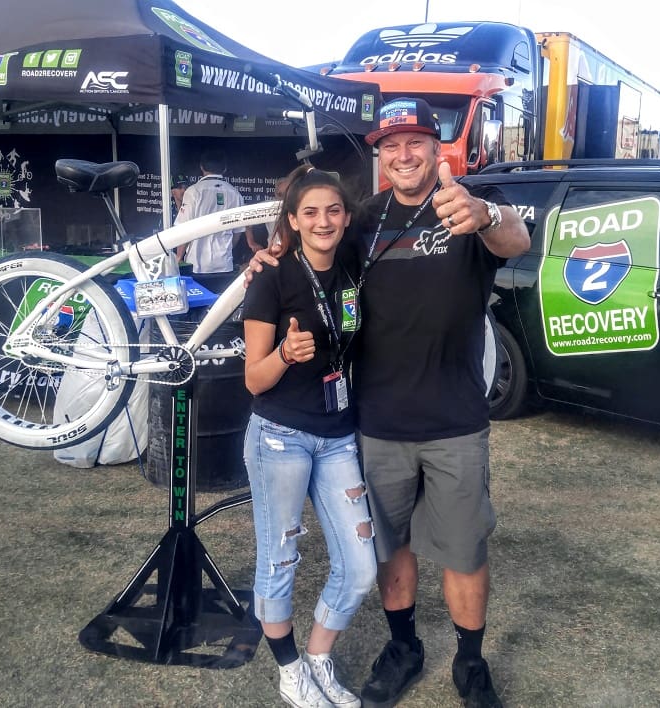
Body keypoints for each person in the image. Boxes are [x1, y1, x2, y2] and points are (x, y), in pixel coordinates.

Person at [250, 98, 530, 707]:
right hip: (375, 423)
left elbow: (517, 240)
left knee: (462, 550)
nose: (403, 155)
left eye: (415, 142)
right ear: (380, 157)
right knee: (389, 549)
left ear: (437, 148)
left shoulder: (464, 208)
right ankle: (404, 646)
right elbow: (313, 252)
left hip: (455, 421)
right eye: (390, 145)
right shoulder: (364, 221)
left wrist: (485, 215)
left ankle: (470, 661)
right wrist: (268, 258)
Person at [242, 165, 374, 708]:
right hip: (280, 437)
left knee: (362, 565)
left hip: (339, 434)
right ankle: (289, 669)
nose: (324, 221)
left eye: (333, 210)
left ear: (346, 217)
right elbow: (253, 378)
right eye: (311, 213)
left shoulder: (351, 263)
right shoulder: (271, 276)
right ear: (292, 221)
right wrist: (283, 355)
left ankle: (318, 657)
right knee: (280, 558)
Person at [174, 149, 247, 291]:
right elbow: (238, 231)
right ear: (224, 168)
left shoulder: (194, 191)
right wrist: (226, 249)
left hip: (197, 265)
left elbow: (184, 228)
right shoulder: (235, 193)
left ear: (201, 167)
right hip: (224, 264)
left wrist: (178, 257)